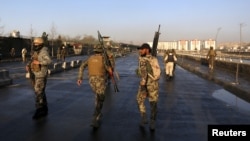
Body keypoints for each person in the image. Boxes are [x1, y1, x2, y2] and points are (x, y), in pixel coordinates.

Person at [77, 45, 113, 128]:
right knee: (101, 98)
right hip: (100, 80)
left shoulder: (90, 58)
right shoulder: (104, 59)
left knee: (97, 96)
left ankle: (98, 114)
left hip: (91, 80)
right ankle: (95, 117)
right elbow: (110, 70)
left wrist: (80, 77)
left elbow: (82, 66)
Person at [26, 37, 52, 119]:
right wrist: (28, 65)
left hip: (41, 74)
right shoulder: (37, 51)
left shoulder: (43, 51)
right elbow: (32, 60)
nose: (34, 45)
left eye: (36, 44)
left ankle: (39, 110)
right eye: (34, 44)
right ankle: (44, 108)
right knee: (41, 92)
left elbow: (49, 61)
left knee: (38, 92)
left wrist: (39, 62)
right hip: (35, 73)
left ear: (40, 44)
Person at [136, 43, 160, 131]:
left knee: (139, 100)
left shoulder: (143, 60)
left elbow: (144, 74)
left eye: (141, 49)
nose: (140, 51)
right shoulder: (153, 58)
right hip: (154, 84)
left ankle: (144, 117)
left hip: (146, 83)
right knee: (153, 104)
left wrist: (143, 87)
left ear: (146, 50)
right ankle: (152, 122)